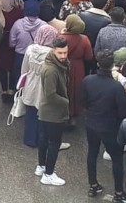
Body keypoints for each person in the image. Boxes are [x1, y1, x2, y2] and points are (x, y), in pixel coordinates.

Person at [81, 49, 126, 202]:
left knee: (92, 153)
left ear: (98, 64)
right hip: (110, 127)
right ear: (112, 65)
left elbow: (83, 102)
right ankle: (118, 192)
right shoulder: (116, 87)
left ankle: (93, 185)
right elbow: (122, 111)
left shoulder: (88, 80)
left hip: (91, 123)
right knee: (117, 159)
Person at [37, 36, 70, 186]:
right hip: (53, 112)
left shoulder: (54, 64)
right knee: (54, 143)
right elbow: (50, 94)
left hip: (46, 110)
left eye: (65, 52)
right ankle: (48, 174)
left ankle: (41, 166)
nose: (63, 56)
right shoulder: (51, 70)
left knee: (44, 139)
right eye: (60, 53)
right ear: (53, 51)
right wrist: (66, 102)